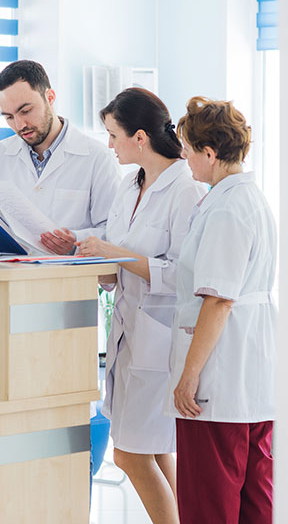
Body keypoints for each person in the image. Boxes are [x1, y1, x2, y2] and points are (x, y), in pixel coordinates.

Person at [76, 88, 205, 524]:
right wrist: (91, 258)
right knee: (155, 452)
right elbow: (117, 268)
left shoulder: (184, 189)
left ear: (140, 138)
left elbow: (182, 275)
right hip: (128, 334)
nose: (109, 145)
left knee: (131, 455)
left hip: (162, 341)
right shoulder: (127, 185)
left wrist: (112, 251)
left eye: (114, 135)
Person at [165, 97, 275, 523]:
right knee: (255, 501)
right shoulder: (249, 199)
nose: (185, 159)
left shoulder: (227, 209)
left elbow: (219, 299)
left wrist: (188, 377)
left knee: (208, 505)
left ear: (209, 154)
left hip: (219, 380)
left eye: (188, 150)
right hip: (251, 377)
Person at [0, 60, 119, 254]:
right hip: (11, 280)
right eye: (9, 117)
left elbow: (113, 233)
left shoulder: (97, 157)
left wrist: (76, 241)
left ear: (50, 97)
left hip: (68, 279)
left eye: (25, 111)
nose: (19, 124)